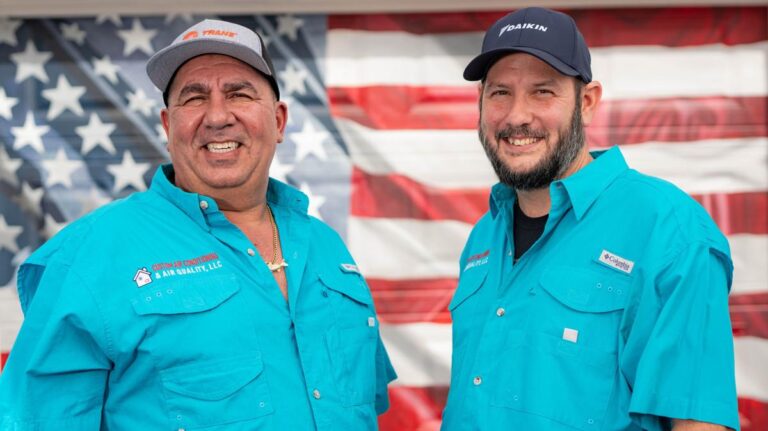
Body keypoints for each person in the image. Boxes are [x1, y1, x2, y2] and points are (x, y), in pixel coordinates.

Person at [0, 19, 396, 430]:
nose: (218, 116)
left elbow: (364, 404)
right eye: (194, 98)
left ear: (278, 122)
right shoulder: (88, 255)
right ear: (168, 127)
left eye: (239, 94)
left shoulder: (328, 249)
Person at [441, 7, 738, 431]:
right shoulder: (484, 236)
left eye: (542, 92)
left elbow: (697, 421)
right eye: (500, 92)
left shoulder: (668, 229)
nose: (516, 116)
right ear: (481, 102)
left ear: (586, 103)